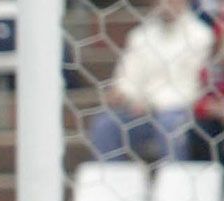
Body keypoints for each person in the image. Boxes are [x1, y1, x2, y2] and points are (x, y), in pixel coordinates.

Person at [88, 0, 212, 163]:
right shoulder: (140, 36)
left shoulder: (201, 35)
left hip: (180, 111)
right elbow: (128, 78)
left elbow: (193, 87)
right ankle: (116, 182)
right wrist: (125, 95)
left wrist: (152, 104)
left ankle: (175, 181)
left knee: (170, 126)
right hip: (140, 111)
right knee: (106, 125)